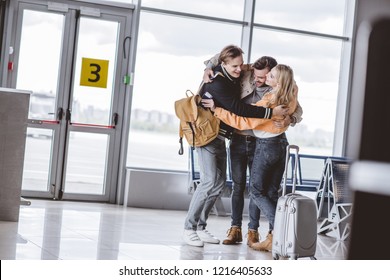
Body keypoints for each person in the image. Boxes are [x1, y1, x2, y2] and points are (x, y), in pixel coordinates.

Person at [182, 45, 289, 247]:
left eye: (240, 65)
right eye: (234, 66)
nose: (239, 69)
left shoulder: (246, 75)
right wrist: (270, 114)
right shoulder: (216, 82)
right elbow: (238, 109)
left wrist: (288, 117)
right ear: (223, 64)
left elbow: (288, 90)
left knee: (220, 183)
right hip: (208, 137)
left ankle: (202, 226)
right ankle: (190, 228)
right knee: (209, 182)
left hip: (223, 137)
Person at [202, 56, 303, 247]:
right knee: (240, 186)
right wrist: (208, 67)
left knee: (258, 191)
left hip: (262, 142)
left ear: (274, 76)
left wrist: (289, 118)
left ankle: (255, 231)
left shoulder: (275, 95)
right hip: (241, 139)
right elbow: (223, 58)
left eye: (266, 76)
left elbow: (296, 108)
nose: (259, 79)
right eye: (257, 76)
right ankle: (236, 229)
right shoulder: (245, 72)